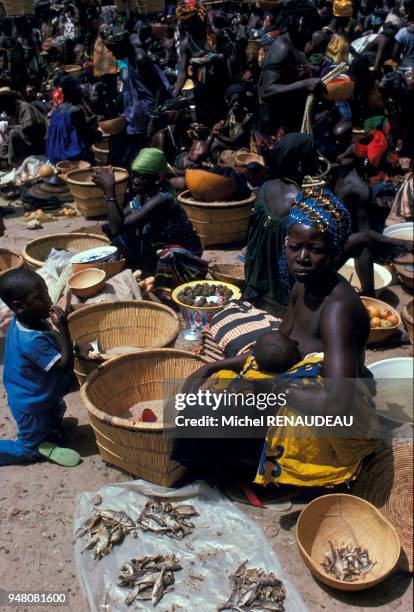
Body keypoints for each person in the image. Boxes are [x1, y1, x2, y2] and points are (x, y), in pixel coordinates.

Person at [173, 188, 379, 494]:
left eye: (316, 249)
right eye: (295, 247)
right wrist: (214, 367)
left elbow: (337, 404)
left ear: (334, 252)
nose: (303, 258)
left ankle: (263, 482)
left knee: (221, 422)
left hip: (327, 412)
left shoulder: (338, 312)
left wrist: (266, 388)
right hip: (293, 386)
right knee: (207, 405)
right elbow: (277, 350)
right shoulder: (302, 286)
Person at [92, 148, 208, 301]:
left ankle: (158, 284)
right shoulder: (141, 196)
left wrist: (109, 192)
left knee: (122, 239)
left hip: (182, 259)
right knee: (117, 237)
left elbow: (118, 227)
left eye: (142, 177)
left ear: (158, 178)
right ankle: (142, 274)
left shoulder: (163, 199)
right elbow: (116, 224)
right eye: (134, 176)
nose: (135, 182)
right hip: (157, 247)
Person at [0, 269, 84, 467]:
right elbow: (64, 366)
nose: (48, 300)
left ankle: (49, 435)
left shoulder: (29, 319)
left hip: (38, 392)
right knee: (28, 446)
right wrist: (64, 329)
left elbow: (54, 342)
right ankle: (33, 449)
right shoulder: (31, 341)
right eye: (40, 297)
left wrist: (75, 345)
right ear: (19, 307)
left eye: (46, 292)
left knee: (56, 410)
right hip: (30, 402)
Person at [245, 133, 319, 308]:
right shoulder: (302, 202)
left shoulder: (265, 187)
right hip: (282, 292)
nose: (318, 158)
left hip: (255, 280)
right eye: (314, 154)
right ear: (300, 164)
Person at [255, 0, 323, 152]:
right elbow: (266, 91)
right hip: (274, 130)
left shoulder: (296, 44)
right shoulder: (282, 48)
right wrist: (304, 83)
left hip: (289, 121)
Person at [100, 25, 172, 168]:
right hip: (140, 110)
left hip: (149, 111)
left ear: (122, 45)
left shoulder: (140, 58)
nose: (113, 55)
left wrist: (153, 118)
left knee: (145, 149)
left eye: (114, 50)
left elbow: (159, 87)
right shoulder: (131, 57)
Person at [45, 76, 98, 164]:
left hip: (53, 154)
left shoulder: (55, 111)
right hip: (67, 154)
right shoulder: (75, 110)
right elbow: (86, 132)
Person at [0, 87, 47, 167]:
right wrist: (2, 155)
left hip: (37, 143)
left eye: (4, 102)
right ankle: (5, 160)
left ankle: (15, 163)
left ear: (9, 100)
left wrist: (12, 127)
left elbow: (29, 126)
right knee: (9, 134)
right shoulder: (13, 114)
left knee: (13, 133)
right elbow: (8, 139)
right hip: (26, 143)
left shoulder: (24, 107)